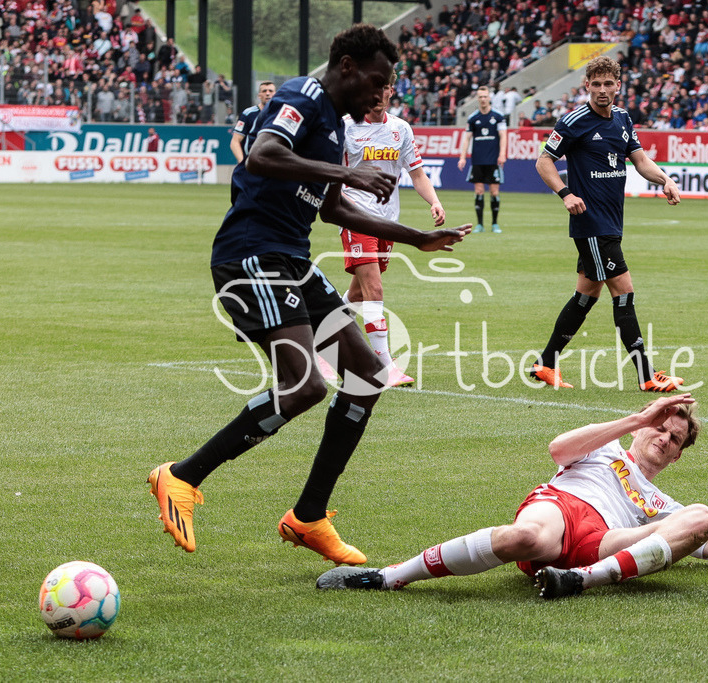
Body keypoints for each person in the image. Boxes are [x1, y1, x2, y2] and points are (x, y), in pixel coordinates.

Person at [147, 24, 472, 564]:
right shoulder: (304, 96)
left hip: (291, 260)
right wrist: (347, 171)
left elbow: (333, 208)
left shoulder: (334, 124)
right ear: (348, 65)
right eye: (376, 79)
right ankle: (181, 476)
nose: (381, 92)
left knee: (368, 376)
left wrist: (417, 238)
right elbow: (263, 156)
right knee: (303, 388)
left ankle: (309, 516)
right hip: (252, 257)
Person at [317, 395, 708, 599]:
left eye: (675, 439)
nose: (664, 440)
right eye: (661, 429)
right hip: (561, 514)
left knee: (703, 518)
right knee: (525, 536)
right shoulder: (603, 447)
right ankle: (387, 578)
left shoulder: (661, 504)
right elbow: (557, 445)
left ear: (679, 454)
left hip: (609, 542)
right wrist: (637, 414)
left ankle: (576, 584)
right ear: (645, 427)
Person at [532, 55, 685, 392]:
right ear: (587, 85)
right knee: (624, 292)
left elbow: (641, 160)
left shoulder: (622, 119)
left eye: (608, 84)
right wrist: (565, 193)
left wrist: (665, 180)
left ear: (618, 86)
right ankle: (647, 375)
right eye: (596, 84)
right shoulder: (574, 121)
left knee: (586, 295)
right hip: (591, 224)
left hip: (611, 223)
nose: (602, 90)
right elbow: (543, 162)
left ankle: (545, 364)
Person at [337, 78, 446, 388]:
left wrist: (435, 201)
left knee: (357, 293)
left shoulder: (400, 129)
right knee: (375, 289)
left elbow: (417, 172)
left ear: (390, 91)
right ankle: (385, 366)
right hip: (356, 216)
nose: (377, 95)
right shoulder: (346, 127)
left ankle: (326, 334)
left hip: (387, 222)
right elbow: (330, 171)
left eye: (382, 89)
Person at [458, 85, 507, 233]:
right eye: (480, 97)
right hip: (477, 160)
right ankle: (479, 224)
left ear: (489, 98)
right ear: (477, 99)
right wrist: (462, 157)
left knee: (494, 192)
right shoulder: (473, 118)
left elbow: (503, 135)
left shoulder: (498, 116)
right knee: (479, 191)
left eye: (485, 96)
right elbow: (467, 139)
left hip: (493, 160)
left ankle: (494, 224)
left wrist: (502, 154)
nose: (483, 99)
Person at [230, 80, 277, 164]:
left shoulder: (280, 114)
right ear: (259, 95)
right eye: (264, 91)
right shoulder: (248, 114)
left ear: (275, 94)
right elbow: (235, 141)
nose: (267, 93)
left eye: (270, 91)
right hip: (252, 164)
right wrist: (242, 162)